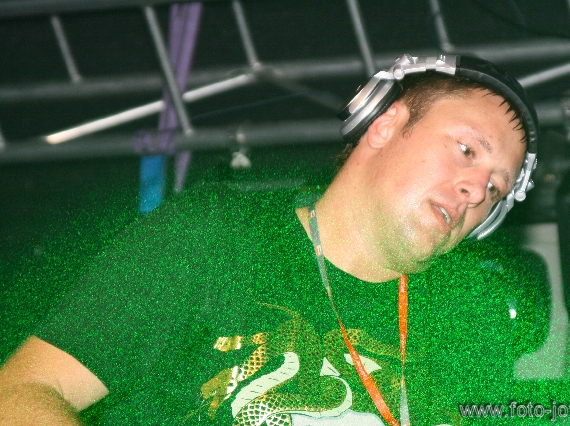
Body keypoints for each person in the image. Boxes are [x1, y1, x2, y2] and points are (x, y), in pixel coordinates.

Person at [0, 54, 538, 425]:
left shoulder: (471, 320)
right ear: (383, 124)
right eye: (466, 151)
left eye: (496, 187)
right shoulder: (215, 237)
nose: (476, 190)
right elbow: (21, 393)